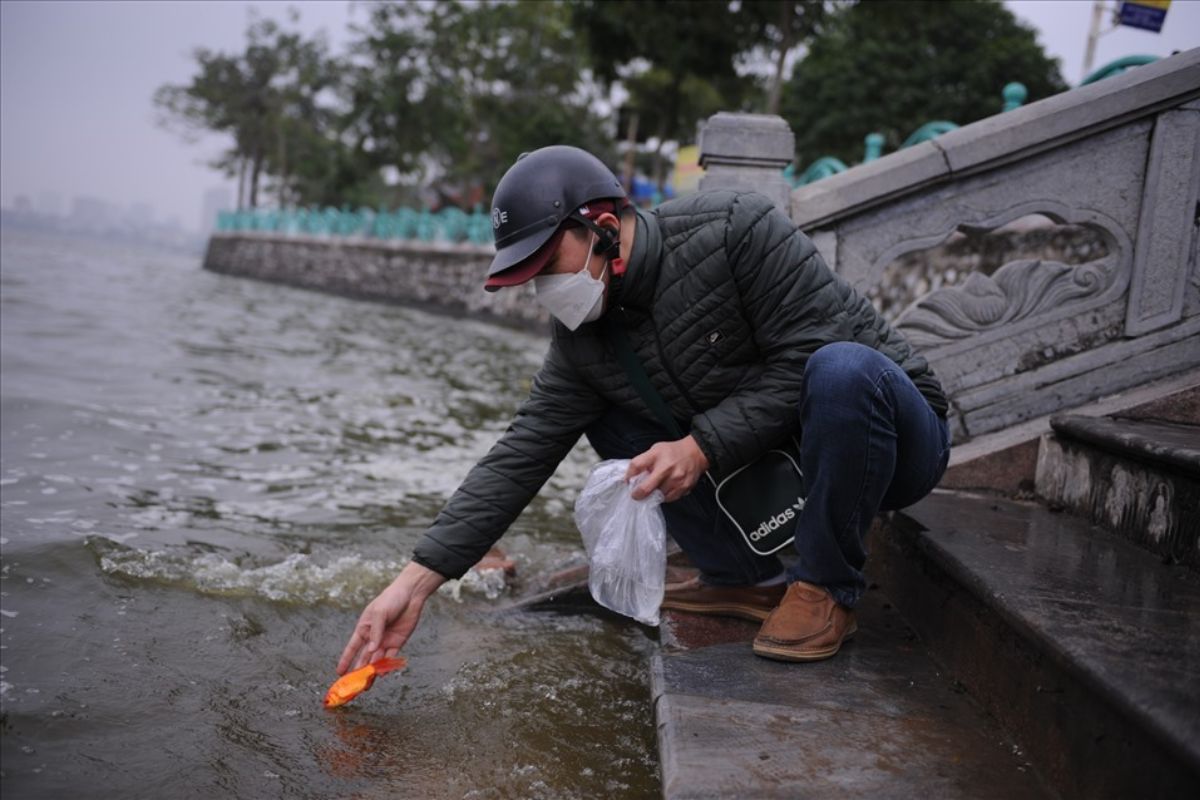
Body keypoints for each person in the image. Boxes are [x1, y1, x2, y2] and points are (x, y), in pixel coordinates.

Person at [336, 145, 950, 675]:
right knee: (606, 416)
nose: (545, 290)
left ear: (603, 225)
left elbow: (809, 355)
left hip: (888, 440)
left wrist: (700, 445)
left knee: (841, 367)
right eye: (531, 279)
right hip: (774, 468)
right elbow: (520, 455)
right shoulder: (581, 341)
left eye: (548, 266)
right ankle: (740, 576)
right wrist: (412, 584)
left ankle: (826, 586)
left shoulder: (737, 230)